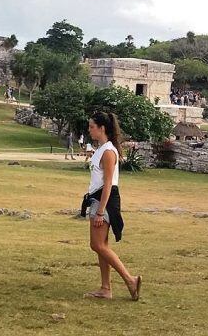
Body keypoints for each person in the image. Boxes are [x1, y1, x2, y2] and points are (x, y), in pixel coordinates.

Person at [81, 111, 142, 301]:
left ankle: (130, 280)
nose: (89, 130)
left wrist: (100, 211)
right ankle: (105, 288)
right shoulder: (102, 149)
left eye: (92, 127)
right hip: (98, 198)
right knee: (101, 245)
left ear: (102, 128)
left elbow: (108, 184)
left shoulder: (108, 151)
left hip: (103, 201)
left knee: (97, 244)